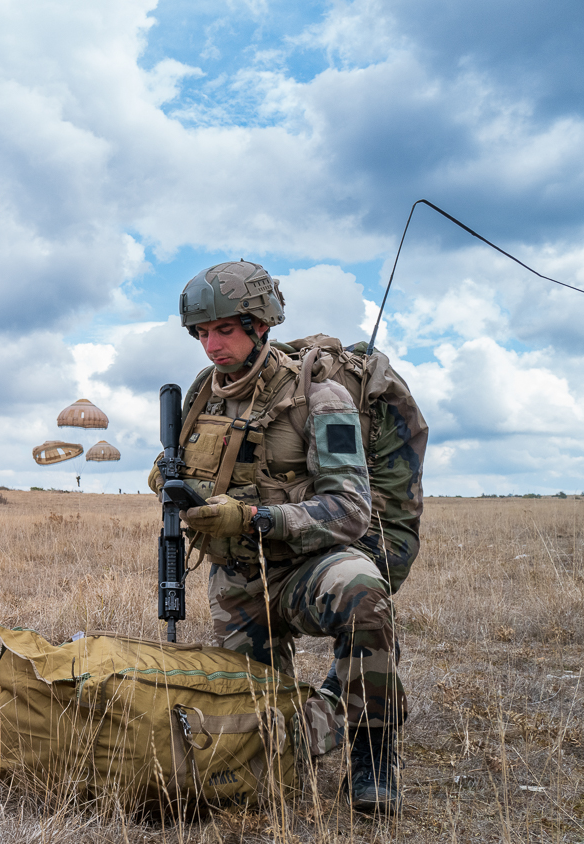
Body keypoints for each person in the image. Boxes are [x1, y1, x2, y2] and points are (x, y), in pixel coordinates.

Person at [148, 261, 405, 813]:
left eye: (224, 330)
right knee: (265, 752)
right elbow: (180, 464)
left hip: (304, 568)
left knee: (362, 593)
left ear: (260, 325)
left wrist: (256, 519)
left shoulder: (322, 398)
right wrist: (169, 482)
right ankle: (334, 709)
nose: (210, 345)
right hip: (239, 582)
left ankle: (373, 758)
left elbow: (351, 509)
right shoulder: (201, 396)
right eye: (201, 333)